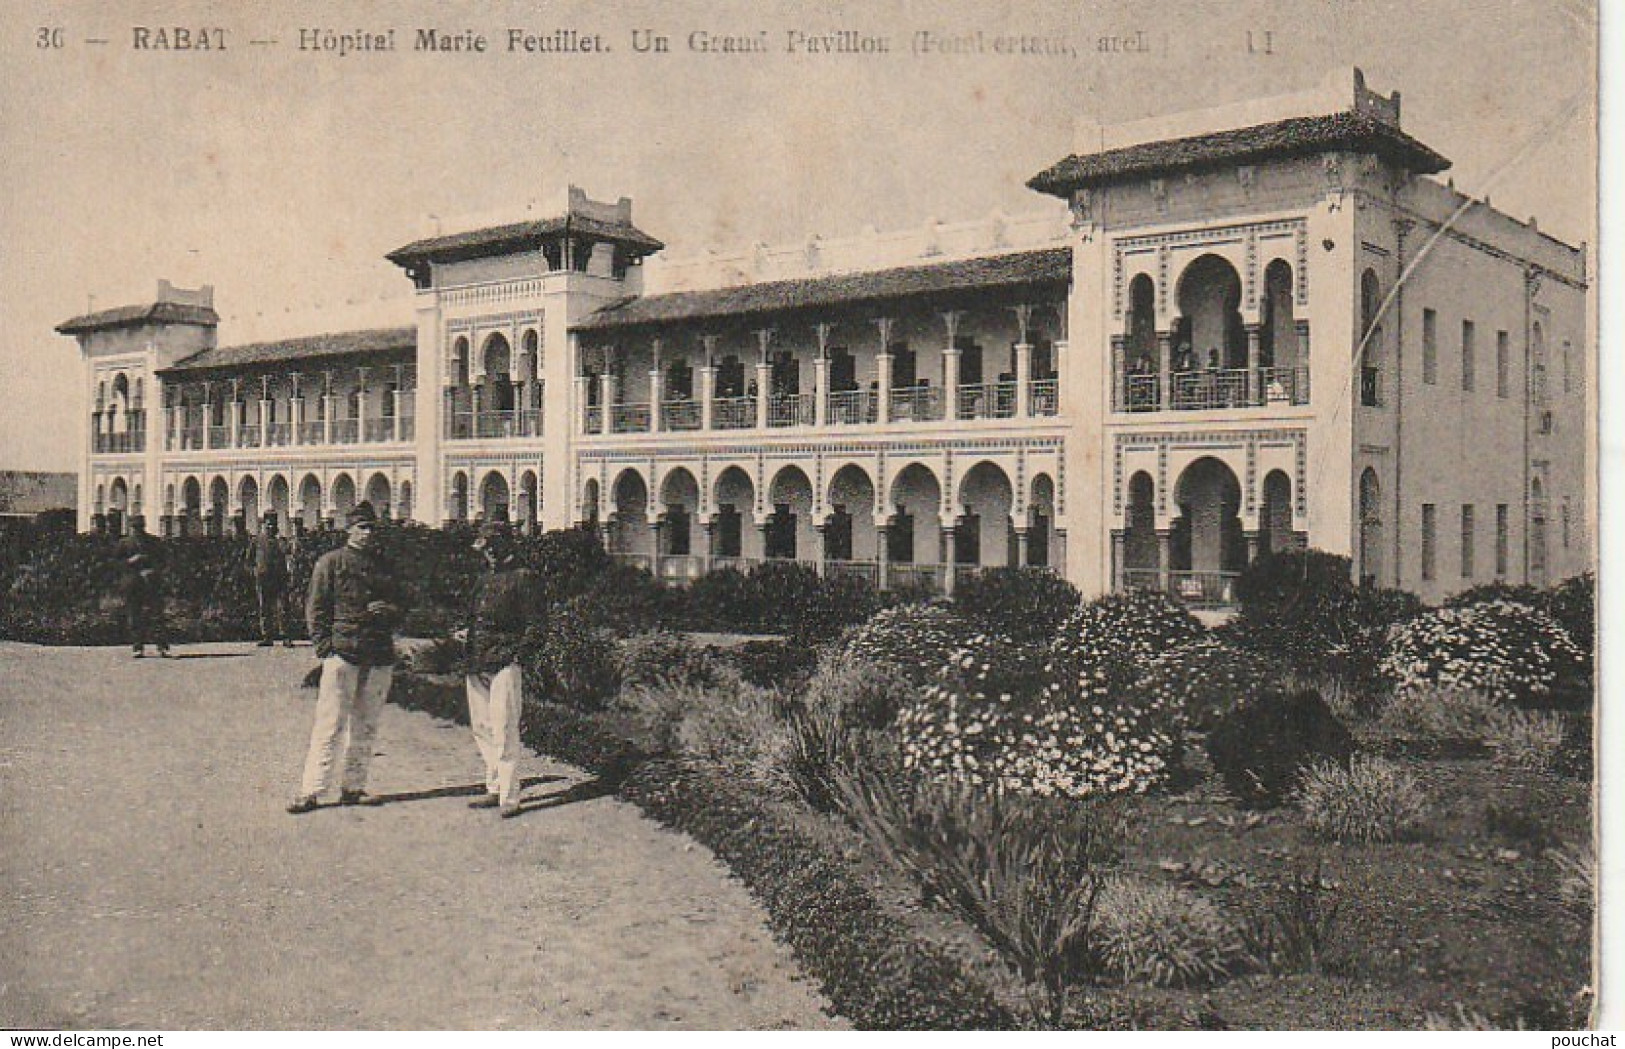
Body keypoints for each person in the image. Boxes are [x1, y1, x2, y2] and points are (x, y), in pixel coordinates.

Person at [287, 502, 405, 814]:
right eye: (362, 527)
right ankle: (311, 790)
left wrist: (391, 611)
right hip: (344, 651)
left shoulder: (385, 566)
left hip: (378, 653)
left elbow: (403, 604)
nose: (367, 534)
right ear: (349, 530)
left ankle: (353, 787)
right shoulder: (331, 563)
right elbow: (316, 609)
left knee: (366, 724)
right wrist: (325, 649)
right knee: (329, 723)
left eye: (371, 528)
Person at [459, 520, 539, 819]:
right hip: (477, 659)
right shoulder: (483, 580)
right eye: (485, 548)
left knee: (504, 727)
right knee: (482, 725)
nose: (489, 553)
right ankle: (493, 786)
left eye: (493, 546)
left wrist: (518, 655)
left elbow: (535, 624)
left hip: (504, 660)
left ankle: (509, 795)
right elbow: (472, 617)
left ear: (506, 546)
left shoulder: (523, 578)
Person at [118, 519, 169, 658]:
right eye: (134, 527)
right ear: (130, 528)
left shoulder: (154, 542)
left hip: (152, 582)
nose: (137, 530)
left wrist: (153, 570)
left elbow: (163, 561)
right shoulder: (124, 543)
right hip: (133, 583)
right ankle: (137, 647)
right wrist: (130, 561)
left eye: (139, 527)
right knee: (134, 615)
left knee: (157, 614)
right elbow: (115, 563)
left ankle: (162, 647)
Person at [245, 517, 294, 648]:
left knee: (283, 607)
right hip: (263, 578)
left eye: (273, 525)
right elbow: (249, 560)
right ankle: (267, 636)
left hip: (280, 578)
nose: (270, 528)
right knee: (264, 608)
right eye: (268, 525)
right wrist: (255, 572)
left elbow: (289, 555)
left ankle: (286, 636)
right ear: (263, 526)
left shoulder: (281, 541)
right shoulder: (256, 541)